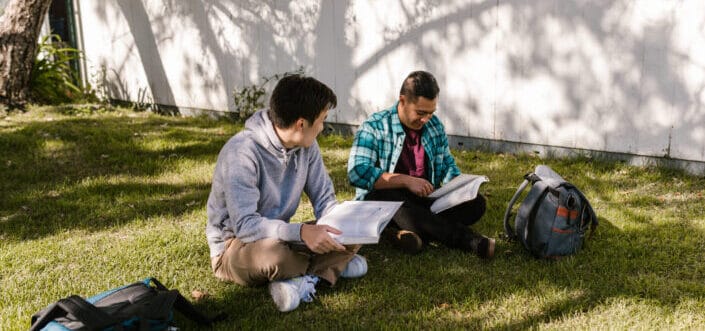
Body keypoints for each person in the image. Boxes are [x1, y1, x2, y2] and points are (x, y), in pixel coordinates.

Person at [206, 74, 368, 312]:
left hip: (281, 236)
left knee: (352, 228)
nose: (323, 127)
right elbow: (246, 226)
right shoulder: (241, 153)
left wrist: (342, 222)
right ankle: (326, 269)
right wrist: (301, 232)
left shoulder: (307, 147)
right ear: (301, 124)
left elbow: (324, 200)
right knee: (276, 257)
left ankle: (302, 280)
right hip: (235, 247)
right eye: (322, 120)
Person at [347, 70, 495, 258]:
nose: (425, 119)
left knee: (476, 204)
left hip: (425, 200)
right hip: (385, 201)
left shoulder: (434, 126)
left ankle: (404, 231)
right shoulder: (374, 126)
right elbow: (357, 172)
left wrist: (462, 186)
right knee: (393, 200)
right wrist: (406, 180)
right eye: (421, 112)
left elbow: (447, 166)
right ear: (402, 101)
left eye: (431, 113)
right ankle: (468, 240)